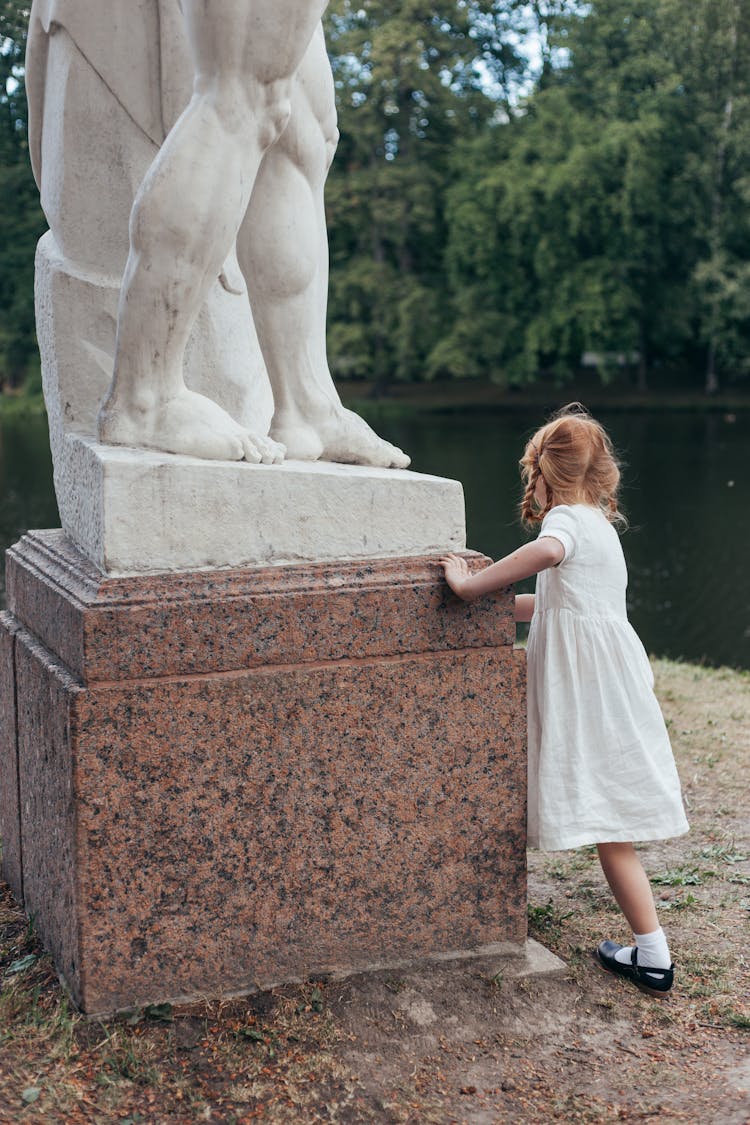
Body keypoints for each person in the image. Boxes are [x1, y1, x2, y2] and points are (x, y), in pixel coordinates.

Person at [441, 404, 689, 994]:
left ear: (544, 472)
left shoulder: (568, 524)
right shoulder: (601, 526)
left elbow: (548, 554)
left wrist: (471, 584)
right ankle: (649, 950)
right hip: (610, 681)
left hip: (590, 688)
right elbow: (555, 604)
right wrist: (492, 607)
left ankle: (653, 956)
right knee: (613, 823)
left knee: (610, 824)